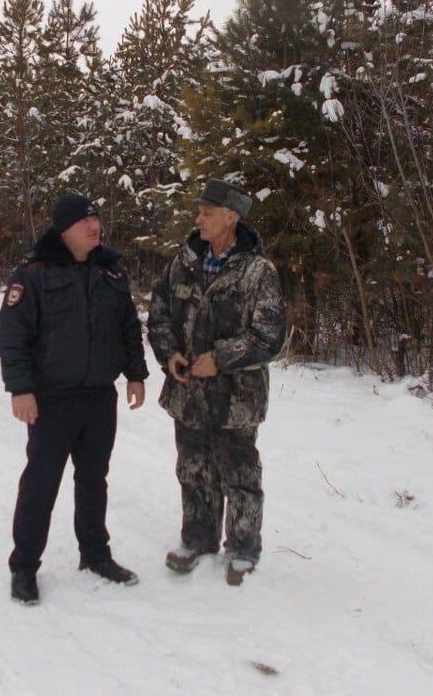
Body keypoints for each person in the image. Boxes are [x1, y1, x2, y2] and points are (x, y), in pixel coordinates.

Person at [0, 193, 148, 605]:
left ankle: (96, 554)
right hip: (51, 400)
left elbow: (128, 326)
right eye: (85, 221)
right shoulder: (33, 273)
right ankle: (24, 567)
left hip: (100, 396)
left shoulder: (111, 271)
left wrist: (136, 374)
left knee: (94, 480)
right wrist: (21, 388)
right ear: (64, 229)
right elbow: (13, 337)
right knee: (41, 484)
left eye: (96, 219)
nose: (94, 226)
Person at [147, 179, 286, 586]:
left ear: (231, 217)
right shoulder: (183, 261)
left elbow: (269, 337)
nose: (198, 219)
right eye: (199, 212)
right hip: (187, 393)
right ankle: (197, 539)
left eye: (207, 213)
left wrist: (220, 359)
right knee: (192, 469)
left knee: (239, 474)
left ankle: (243, 548)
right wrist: (169, 353)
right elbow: (158, 315)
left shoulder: (259, 272)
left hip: (235, 398)